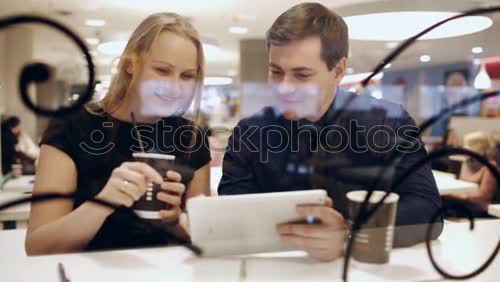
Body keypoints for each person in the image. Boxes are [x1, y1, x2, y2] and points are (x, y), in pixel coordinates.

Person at [219, 3, 443, 261]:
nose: (284, 88)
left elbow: (428, 210)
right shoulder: (249, 133)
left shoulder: (387, 123)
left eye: (302, 75)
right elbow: (231, 216)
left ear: (338, 71)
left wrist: (349, 233)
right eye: (276, 72)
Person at [25, 12, 210, 255]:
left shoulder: (191, 137)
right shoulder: (72, 126)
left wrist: (175, 222)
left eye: (187, 76)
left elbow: (206, 240)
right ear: (130, 65)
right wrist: (104, 202)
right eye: (162, 71)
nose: (175, 87)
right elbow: (38, 246)